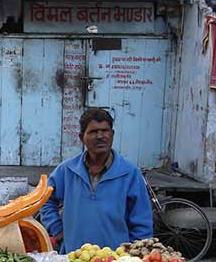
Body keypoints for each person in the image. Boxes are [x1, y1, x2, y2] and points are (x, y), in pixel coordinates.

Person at [40, 108, 153, 253]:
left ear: (112, 134)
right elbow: (45, 199)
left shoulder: (129, 173)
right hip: (73, 258)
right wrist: (57, 229)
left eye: (105, 130)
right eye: (93, 132)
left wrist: (133, 255)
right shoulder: (67, 170)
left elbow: (142, 221)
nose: (100, 136)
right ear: (82, 137)